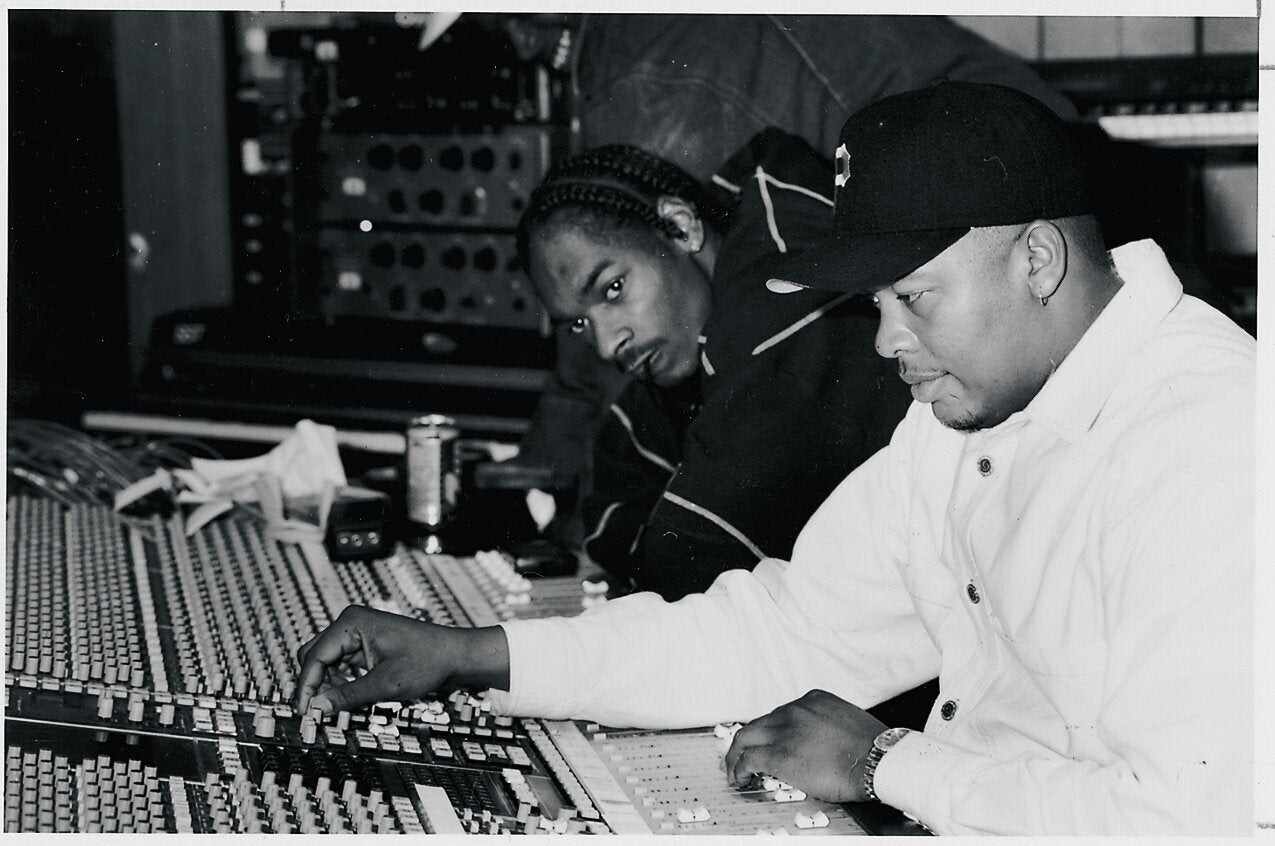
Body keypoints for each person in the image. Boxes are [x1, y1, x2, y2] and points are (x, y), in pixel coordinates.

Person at [296, 82, 1254, 835]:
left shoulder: (1207, 441)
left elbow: (1189, 821)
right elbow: (781, 630)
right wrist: (473, 656)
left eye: (911, 298)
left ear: (1036, 261)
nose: (883, 343)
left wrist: (884, 763)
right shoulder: (957, 421)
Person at [498, 13, 1080, 514]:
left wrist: (556, 459)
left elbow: (627, 278)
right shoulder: (628, 47)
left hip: (1028, 208)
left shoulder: (651, 82)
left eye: (507, 19)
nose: (519, 43)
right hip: (1044, 166)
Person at [515, 132, 911, 601]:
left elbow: (687, 564)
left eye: (614, 288)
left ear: (681, 227)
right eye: (580, 322)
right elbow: (620, 481)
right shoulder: (697, 321)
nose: (605, 343)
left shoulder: (778, 317)